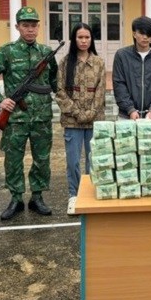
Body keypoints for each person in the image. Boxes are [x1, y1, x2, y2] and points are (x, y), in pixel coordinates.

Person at [0, 6, 58, 220]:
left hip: (41, 117)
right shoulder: (7, 51)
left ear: (38, 27)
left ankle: (37, 197)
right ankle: (15, 198)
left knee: (42, 159)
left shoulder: (46, 53)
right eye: (25, 25)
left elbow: (53, 82)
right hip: (15, 119)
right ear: (17, 27)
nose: (30, 30)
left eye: (34, 25)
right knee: (13, 160)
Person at [55, 22, 105, 215]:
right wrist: (77, 112)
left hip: (94, 120)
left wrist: (90, 113)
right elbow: (59, 92)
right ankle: (74, 195)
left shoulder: (99, 63)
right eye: (80, 37)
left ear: (91, 40)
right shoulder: (66, 62)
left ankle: (92, 194)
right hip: (72, 122)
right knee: (73, 161)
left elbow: (101, 92)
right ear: (74, 39)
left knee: (93, 160)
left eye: (87, 37)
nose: (83, 41)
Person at [112, 16, 151, 120]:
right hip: (126, 116)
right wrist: (130, 109)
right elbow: (119, 84)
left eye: (149, 34)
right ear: (134, 33)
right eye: (142, 33)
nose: (145, 37)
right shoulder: (122, 55)